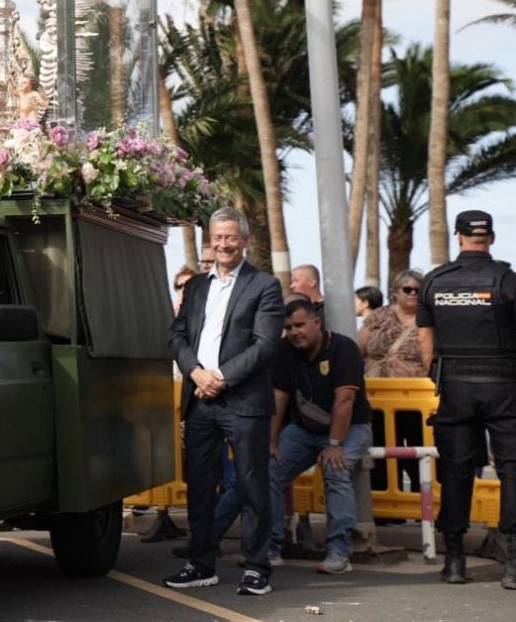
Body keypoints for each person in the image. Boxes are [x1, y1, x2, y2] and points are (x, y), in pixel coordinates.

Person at [165, 207, 285, 596]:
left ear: (245, 240)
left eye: (231, 237)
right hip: (200, 399)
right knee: (200, 485)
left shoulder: (264, 286)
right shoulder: (196, 286)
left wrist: (222, 377)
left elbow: (266, 346)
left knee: (252, 485)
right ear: (209, 241)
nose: (223, 244)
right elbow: (177, 336)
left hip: (244, 400)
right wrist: (196, 372)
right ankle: (201, 563)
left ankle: (256, 567)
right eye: (217, 238)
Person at [417, 210, 516, 588]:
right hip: (505, 388)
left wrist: (439, 376)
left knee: (456, 472)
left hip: (456, 388)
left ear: (459, 237)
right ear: (489, 239)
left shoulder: (434, 281)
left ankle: (455, 561)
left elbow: (426, 342)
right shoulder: (507, 280)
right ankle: (512, 565)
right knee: (511, 469)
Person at [268, 297, 373, 575]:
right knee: (271, 468)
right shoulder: (284, 350)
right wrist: (271, 441)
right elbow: (279, 397)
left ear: (317, 322)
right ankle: (271, 547)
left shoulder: (343, 348)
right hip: (304, 429)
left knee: (335, 470)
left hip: (350, 428)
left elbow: (345, 401)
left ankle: (339, 553)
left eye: (300, 325)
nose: (294, 333)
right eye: (288, 327)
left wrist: (334, 444)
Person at [359, 269, 426, 378]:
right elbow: (358, 351)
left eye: (417, 290)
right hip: (376, 388)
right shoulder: (378, 316)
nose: (413, 293)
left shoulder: (429, 319)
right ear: (395, 292)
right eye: (407, 290)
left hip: (417, 389)